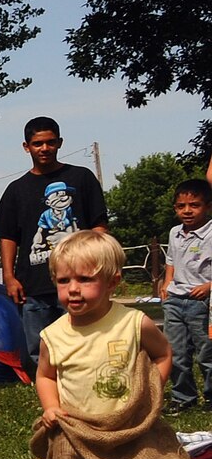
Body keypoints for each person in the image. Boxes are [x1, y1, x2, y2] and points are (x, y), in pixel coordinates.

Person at [0, 117, 107, 370]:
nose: (44, 148)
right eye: (37, 143)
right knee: (38, 347)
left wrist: (102, 264)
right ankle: (45, 393)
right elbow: (8, 236)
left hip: (79, 278)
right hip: (34, 284)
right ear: (26, 147)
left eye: (50, 142)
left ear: (59, 143)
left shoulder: (82, 177)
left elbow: (99, 227)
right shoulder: (16, 190)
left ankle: (82, 384)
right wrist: (9, 277)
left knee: (83, 341)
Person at [36, 230, 170, 430]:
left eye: (84, 279)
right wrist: (51, 407)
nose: (73, 289)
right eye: (64, 280)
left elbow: (163, 354)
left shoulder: (133, 323)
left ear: (112, 282)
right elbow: (45, 376)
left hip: (130, 425)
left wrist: (151, 391)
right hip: (78, 429)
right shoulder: (52, 336)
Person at [156, 177, 212, 414]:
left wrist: (209, 286)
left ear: (207, 207)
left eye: (194, 205)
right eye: (181, 206)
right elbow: (171, 261)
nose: (187, 211)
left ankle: (210, 397)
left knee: (206, 352)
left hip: (202, 301)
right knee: (175, 351)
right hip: (176, 300)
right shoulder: (174, 233)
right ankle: (183, 397)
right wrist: (167, 282)